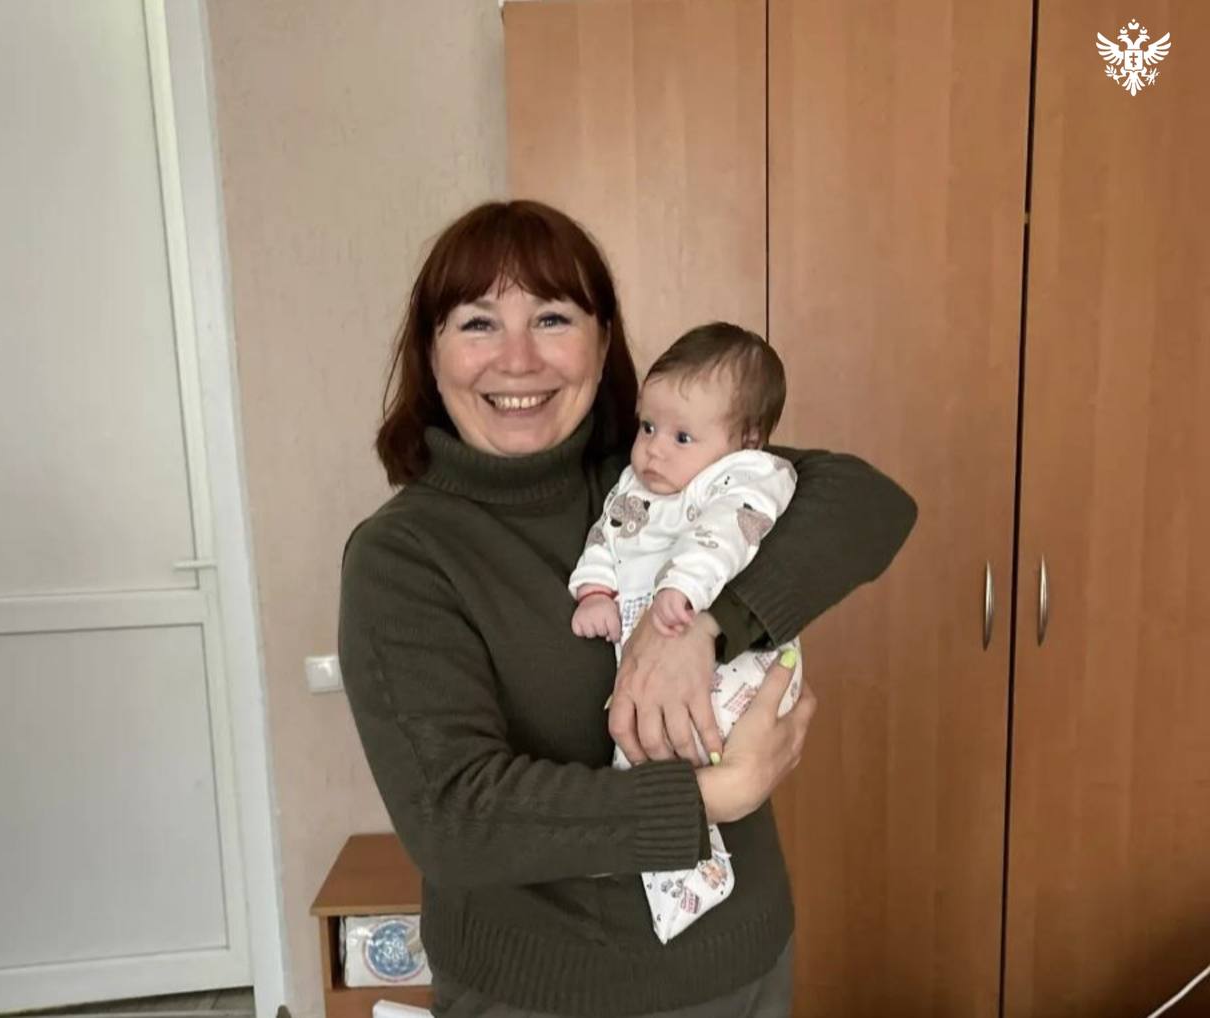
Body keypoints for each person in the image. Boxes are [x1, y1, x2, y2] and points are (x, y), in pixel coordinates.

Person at [338, 200, 916, 1017]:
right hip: (542, 996)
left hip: (742, 963)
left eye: (551, 318)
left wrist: (702, 630)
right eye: (477, 324)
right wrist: (714, 796)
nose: (517, 359)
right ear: (431, 355)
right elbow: (456, 820)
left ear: (602, 342)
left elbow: (866, 501)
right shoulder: (403, 556)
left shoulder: (659, 473)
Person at [567, 321, 804, 944]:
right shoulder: (635, 485)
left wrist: (686, 596)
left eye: (681, 436)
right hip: (655, 631)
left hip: (737, 658)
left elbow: (721, 539)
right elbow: (607, 537)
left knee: (668, 737)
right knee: (639, 737)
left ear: (745, 439)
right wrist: (595, 589)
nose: (653, 451)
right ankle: (667, 860)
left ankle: (674, 866)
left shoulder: (746, 477)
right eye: (647, 427)